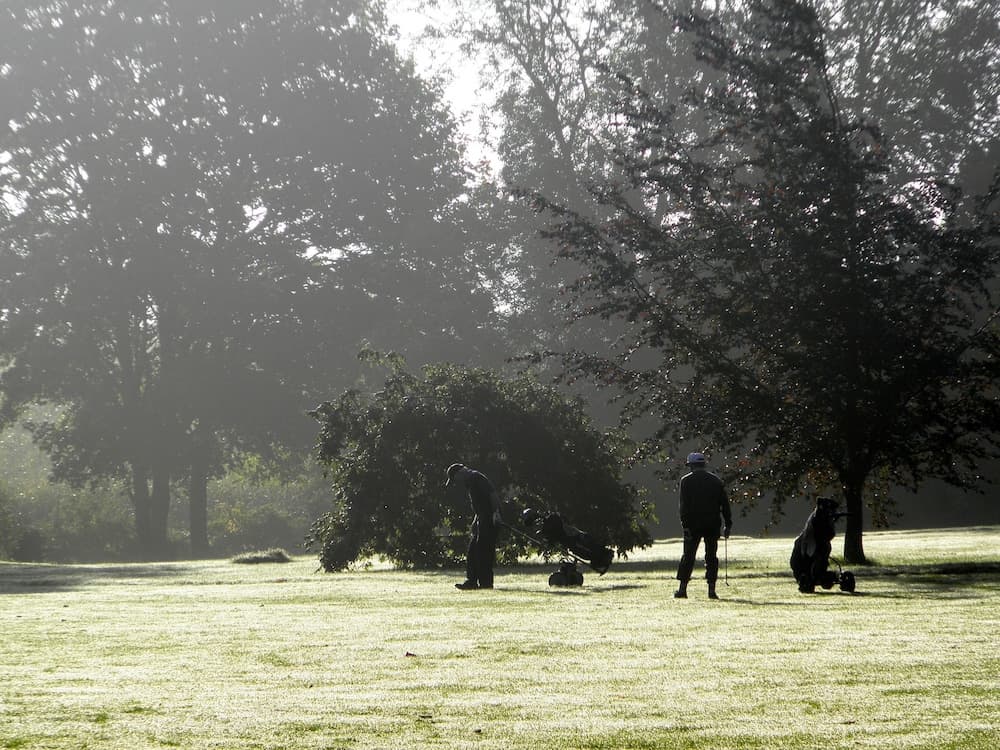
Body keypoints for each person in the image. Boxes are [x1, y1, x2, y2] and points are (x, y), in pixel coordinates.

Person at [674, 452, 732, 599]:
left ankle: (682, 589)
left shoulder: (686, 481)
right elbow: (724, 504)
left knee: (688, 556)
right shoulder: (716, 481)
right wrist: (728, 524)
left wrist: (685, 525)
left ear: (691, 465)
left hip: (692, 525)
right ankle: (711, 590)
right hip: (712, 524)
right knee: (711, 556)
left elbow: (683, 507)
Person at [445, 463, 502, 590]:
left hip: (490, 518)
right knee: (473, 551)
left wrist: (496, 513)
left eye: (455, 479)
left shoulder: (477, 477)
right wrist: (475, 521)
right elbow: (479, 505)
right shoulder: (470, 481)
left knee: (484, 552)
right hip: (482, 518)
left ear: (459, 473)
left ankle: (486, 583)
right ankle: (471, 581)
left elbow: (492, 495)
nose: (456, 482)